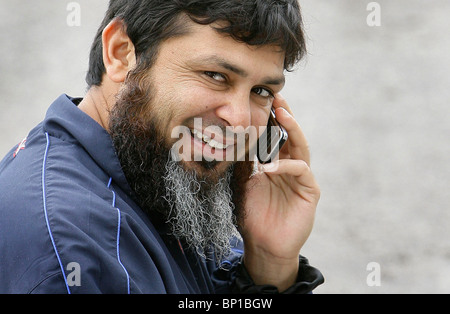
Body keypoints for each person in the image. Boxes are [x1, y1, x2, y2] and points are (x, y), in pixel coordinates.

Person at [0, 0, 324, 294]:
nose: (239, 121)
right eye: (215, 75)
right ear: (121, 52)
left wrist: (269, 264)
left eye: (262, 90)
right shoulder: (71, 243)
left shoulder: (162, 176)